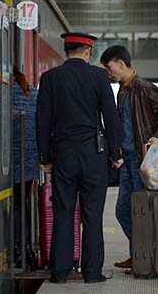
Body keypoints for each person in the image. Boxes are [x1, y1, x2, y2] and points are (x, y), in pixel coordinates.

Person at [36, 32, 123, 284]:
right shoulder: (98, 76)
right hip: (94, 155)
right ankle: (92, 273)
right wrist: (115, 153)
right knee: (92, 214)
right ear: (88, 51)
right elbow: (111, 117)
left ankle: (60, 272)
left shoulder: (50, 78)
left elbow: (42, 120)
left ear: (66, 51)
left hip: (63, 154)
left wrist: (45, 156)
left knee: (63, 212)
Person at [100, 45, 158, 269]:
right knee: (124, 210)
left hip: (143, 163)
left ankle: (148, 256)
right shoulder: (122, 90)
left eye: (110, 67)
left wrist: (157, 137)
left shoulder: (144, 87)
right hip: (128, 161)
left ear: (121, 64)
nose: (109, 72)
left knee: (144, 210)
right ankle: (140, 253)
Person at [12, 67, 39, 269]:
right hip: (29, 163)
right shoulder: (33, 94)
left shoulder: (0, 93)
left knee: (14, 206)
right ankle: (26, 248)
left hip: (9, 161)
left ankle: (18, 248)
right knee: (24, 203)